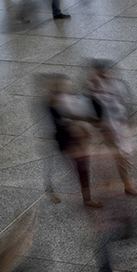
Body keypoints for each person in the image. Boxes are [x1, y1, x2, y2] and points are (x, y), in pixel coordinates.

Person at [44, 74, 102, 207]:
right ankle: (85, 198)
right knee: (80, 167)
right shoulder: (52, 103)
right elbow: (59, 123)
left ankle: (86, 197)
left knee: (82, 167)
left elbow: (73, 114)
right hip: (67, 140)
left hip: (72, 139)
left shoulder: (62, 100)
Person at [86, 60, 137, 197]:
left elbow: (126, 102)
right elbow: (91, 113)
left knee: (124, 154)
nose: (105, 75)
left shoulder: (118, 85)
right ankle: (127, 185)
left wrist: (130, 119)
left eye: (106, 72)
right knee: (121, 157)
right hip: (108, 129)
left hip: (120, 126)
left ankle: (115, 178)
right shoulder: (93, 91)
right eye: (101, 73)